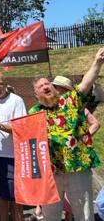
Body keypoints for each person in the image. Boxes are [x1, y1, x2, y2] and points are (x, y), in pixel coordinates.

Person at [29, 48, 104, 221]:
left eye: (47, 84)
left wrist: (97, 62)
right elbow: (22, 132)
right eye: (40, 87)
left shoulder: (70, 100)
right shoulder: (35, 112)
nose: (45, 87)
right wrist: (0, 125)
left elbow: (86, 83)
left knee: (84, 214)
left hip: (77, 167)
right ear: (36, 94)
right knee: (51, 215)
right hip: (52, 171)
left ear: (53, 87)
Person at [0, 73, 26, 221]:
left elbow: (21, 128)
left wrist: (0, 125)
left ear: (5, 84)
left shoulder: (16, 101)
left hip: (11, 156)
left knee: (15, 198)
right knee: (0, 196)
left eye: (0, 83)